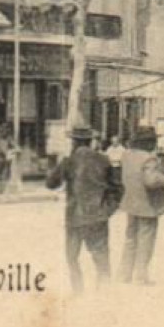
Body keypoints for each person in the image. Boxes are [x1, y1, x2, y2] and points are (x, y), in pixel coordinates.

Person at [46, 124, 121, 292]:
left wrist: (56, 165)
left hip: (75, 217)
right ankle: (104, 293)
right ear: (89, 141)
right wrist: (108, 210)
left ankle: (78, 292)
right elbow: (117, 188)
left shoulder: (68, 161)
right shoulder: (103, 160)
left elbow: (50, 183)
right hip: (98, 216)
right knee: (101, 257)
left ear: (74, 142)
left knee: (72, 258)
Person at [118, 125, 164, 285]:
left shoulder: (126, 155)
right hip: (147, 205)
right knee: (145, 241)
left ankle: (124, 274)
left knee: (130, 239)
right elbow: (151, 180)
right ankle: (141, 276)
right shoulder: (149, 158)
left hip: (131, 203)